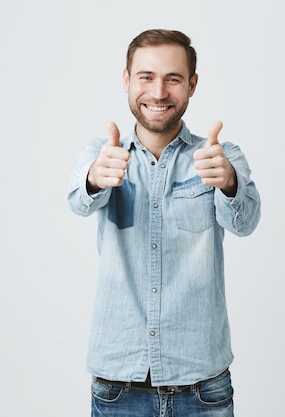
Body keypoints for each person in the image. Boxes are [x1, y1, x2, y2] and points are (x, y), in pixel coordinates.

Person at [68, 28, 261, 417]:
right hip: (117, 389)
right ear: (126, 80)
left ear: (191, 85)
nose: (158, 93)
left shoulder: (219, 156)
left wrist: (228, 183)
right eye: (146, 77)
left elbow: (246, 222)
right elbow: (78, 200)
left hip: (203, 389)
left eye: (173, 79)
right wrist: (94, 177)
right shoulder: (104, 154)